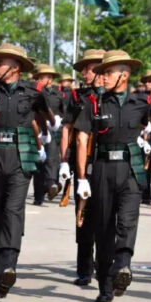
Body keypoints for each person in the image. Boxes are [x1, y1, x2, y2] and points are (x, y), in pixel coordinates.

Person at [0, 43, 53, 300]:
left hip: (21, 154)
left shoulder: (34, 91)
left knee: (13, 210)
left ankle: (8, 266)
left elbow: (46, 116)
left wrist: (48, 132)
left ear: (15, 68)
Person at [73, 50, 151, 302]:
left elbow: (147, 125)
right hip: (103, 169)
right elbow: (82, 137)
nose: (102, 77)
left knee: (127, 221)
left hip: (130, 168)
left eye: (107, 73)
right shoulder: (93, 104)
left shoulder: (140, 103)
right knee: (104, 228)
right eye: (102, 73)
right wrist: (83, 176)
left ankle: (123, 265)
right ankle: (105, 285)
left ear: (124, 75)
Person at [60, 48, 105, 286]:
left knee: (107, 214)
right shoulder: (76, 97)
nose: (87, 72)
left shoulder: (110, 96)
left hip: (108, 159)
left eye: (92, 67)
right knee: (84, 215)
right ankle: (84, 267)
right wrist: (64, 161)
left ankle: (104, 261)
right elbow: (67, 128)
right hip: (83, 160)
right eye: (85, 68)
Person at [31, 64, 63, 205]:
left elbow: (64, 111)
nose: (47, 79)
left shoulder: (59, 94)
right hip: (36, 128)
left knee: (52, 158)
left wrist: (58, 120)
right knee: (38, 163)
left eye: (49, 76)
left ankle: (51, 184)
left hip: (52, 129)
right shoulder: (33, 92)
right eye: (43, 76)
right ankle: (39, 196)